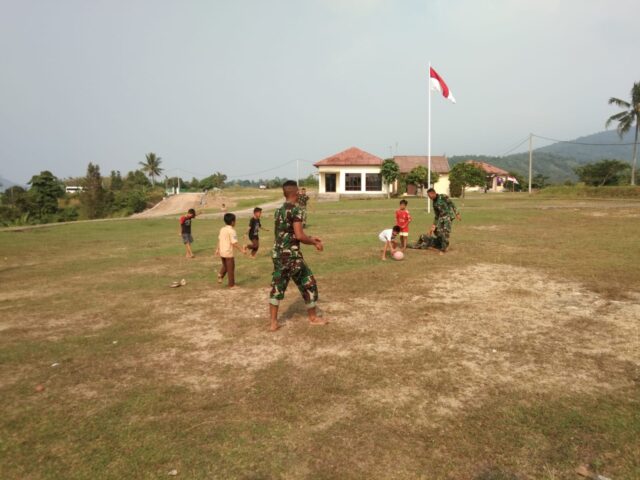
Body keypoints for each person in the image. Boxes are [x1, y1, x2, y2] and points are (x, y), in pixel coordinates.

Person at [269, 180, 327, 331]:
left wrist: (312, 237)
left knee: (277, 286)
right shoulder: (296, 211)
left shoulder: (278, 211)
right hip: (292, 256)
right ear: (295, 193)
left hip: (278, 254)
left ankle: (273, 323)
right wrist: (314, 243)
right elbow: (299, 236)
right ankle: (313, 318)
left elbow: (288, 233)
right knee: (309, 283)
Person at [215, 213, 246, 288]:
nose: (236, 222)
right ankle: (231, 285)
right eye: (235, 221)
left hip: (222, 252)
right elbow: (234, 243)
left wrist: (217, 249)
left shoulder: (222, 229)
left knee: (225, 266)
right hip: (228, 252)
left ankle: (220, 275)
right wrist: (242, 250)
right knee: (230, 268)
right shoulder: (232, 231)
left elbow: (219, 240)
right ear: (232, 222)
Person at [426, 188, 461, 254]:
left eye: (429, 195)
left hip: (448, 216)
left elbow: (452, 204)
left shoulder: (443, 197)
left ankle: (443, 249)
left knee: (445, 232)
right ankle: (444, 244)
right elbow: (437, 215)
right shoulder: (434, 203)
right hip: (441, 218)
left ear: (433, 193)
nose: (429, 197)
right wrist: (433, 225)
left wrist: (457, 213)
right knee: (437, 231)